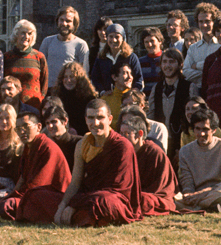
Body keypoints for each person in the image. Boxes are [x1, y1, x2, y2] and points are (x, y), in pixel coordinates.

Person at [54, 99, 142, 227]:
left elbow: (116, 190)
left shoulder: (122, 146)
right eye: (91, 118)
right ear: (85, 119)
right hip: (88, 198)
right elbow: (75, 182)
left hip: (112, 199)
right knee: (41, 196)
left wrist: (75, 204)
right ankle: (83, 215)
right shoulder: (82, 145)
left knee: (103, 201)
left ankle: (81, 214)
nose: (95, 123)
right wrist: (62, 206)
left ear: (110, 119)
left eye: (100, 117)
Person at [0, 112, 72, 222]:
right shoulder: (28, 148)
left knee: (10, 204)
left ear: (38, 127)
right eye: (18, 129)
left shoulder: (47, 147)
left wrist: (14, 198)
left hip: (50, 198)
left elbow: (39, 184)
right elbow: (23, 178)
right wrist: (10, 195)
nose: (22, 132)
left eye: (26, 127)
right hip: (31, 195)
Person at [176, 107, 221, 213]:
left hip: (216, 192)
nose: (201, 134)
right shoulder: (185, 151)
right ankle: (203, 207)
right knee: (174, 198)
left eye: (205, 129)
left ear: (214, 130)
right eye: (197, 129)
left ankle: (195, 208)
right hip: (195, 194)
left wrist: (201, 194)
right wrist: (189, 195)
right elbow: (186, 180)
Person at [118, 109, 177, 216]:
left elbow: (161, 188)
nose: (122, 138)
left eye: (126, 133)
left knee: (143, 200)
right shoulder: (122, 152)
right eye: (121, 133)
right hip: (130, 194)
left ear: (139, 134)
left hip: (152, 196)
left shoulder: (154, 152)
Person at [147, 47, 191, 159]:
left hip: (182, 143)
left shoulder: (189, 87)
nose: (167, 65)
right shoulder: (156, 88)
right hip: (159, 142)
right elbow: (151, 116)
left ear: (180, 64)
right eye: (165, 62)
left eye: (172, 62)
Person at [38, 6, 89, 90]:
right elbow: (39, 67)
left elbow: (84, 73)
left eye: (68, 21)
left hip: (70, 90)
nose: (64, 24)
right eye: (61, 20)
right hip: (49, 90)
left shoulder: (81, 45)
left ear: (74, 24)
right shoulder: (47, 41)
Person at [5, 19, 48, 110]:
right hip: (11, 106)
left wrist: (41, 99)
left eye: (29, 34)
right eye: (23, 33)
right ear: (16, 34)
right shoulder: (6, 57)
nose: (26, 36)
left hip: (34, 106)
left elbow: (44, 83)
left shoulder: (39, 57)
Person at [89, 23, 144, 93]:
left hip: (128, 98)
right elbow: (95, 79)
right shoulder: (101, 58)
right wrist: (102, 91)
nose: (114, 40)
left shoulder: (130, 57)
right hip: (108, 98)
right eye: (111, 37)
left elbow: (139, 79)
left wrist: (133, 93)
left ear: (123, 39)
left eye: (117, 37)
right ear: (107, 38)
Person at [182, 2, 221, 93]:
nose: (204, 25)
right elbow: (186, 72)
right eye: (201, 22)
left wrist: (197, 66)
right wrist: (208, 73)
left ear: (214, 21)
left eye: (207, 21)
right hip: (198, 93)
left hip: (218, 91)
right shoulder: (193, 48)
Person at [54, 61, 98, 136]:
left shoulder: (88, 98)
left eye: (72, 77)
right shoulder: (57, 96)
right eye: (65, 77)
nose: (68, 80)